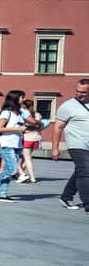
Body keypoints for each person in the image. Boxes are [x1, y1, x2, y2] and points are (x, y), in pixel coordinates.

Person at [53, 79, 89, 211]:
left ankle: (66, 196)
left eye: (83, 92)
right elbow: (58, 127)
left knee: (81, 171)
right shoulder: (67, 106)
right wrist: (55, 148)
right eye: (77, 91)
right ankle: (87, 203)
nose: (79, 94)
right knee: (86, 171)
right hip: (76, 143)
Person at [0, 90, 25, 202]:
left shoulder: (20, 113)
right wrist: (19, 128)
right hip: (6, 143)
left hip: (17, 143)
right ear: (15, 99)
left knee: (8, 169)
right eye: (21, 98)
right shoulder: (6, 112)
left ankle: (2, 194)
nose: (23, 100)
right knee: (12, 170)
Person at [17, 99, 41, 183]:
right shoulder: (38, 115)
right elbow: (39, 125)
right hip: (36, 138)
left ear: (24, 106)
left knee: (27, 158)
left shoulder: (24, 115)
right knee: (27, 157)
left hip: (27, 138)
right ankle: (19, 173)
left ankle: (32, 177)